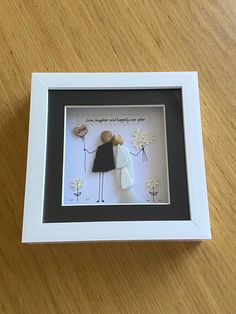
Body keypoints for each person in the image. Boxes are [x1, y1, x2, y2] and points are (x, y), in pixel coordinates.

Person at [85, 130, 115, 202]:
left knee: (103, 180)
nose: (111, 137)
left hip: (103, 166)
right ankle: (100, 198)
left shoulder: (104, 147)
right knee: (102, 180)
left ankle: (101, 198)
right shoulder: (107, 147)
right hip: (105, 166)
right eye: (110, 136)